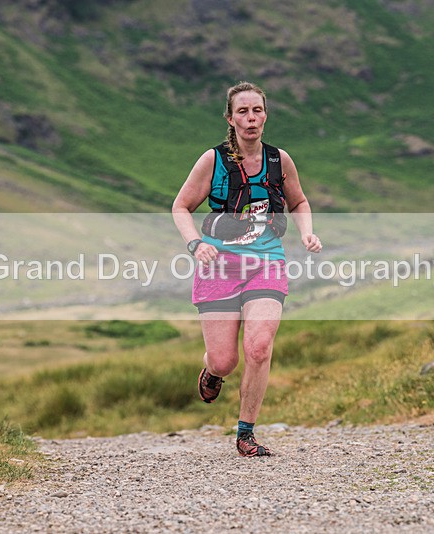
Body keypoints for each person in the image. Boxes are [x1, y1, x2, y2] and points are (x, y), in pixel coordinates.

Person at [172, 81, 322, 457]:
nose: (251, 118)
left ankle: (245, 433)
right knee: (225, 360)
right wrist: (196, 243)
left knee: (259, 347)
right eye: (242, 111)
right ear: (230, 118)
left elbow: (298, 202)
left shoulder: (279, 161)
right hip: (218, 267)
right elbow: (181, 206)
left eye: (257, 110)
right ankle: (211, 371)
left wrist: (306, 232)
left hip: (266, 263)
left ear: (265, 115)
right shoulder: (213, 161)